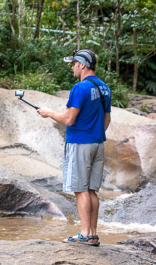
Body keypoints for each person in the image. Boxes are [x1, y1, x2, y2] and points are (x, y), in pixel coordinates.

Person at [36, 49, 111, 246]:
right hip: (97, 144)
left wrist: (49, 113)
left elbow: (69, 119)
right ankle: (93, 233)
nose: (72, 67)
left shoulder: (80, 88)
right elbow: (107, 118)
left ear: (82, 65)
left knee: (80, 189)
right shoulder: (104, 88)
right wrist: (95, 134)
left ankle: (85, 234)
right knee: (92, 189)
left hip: (80, 144)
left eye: (74, 64)